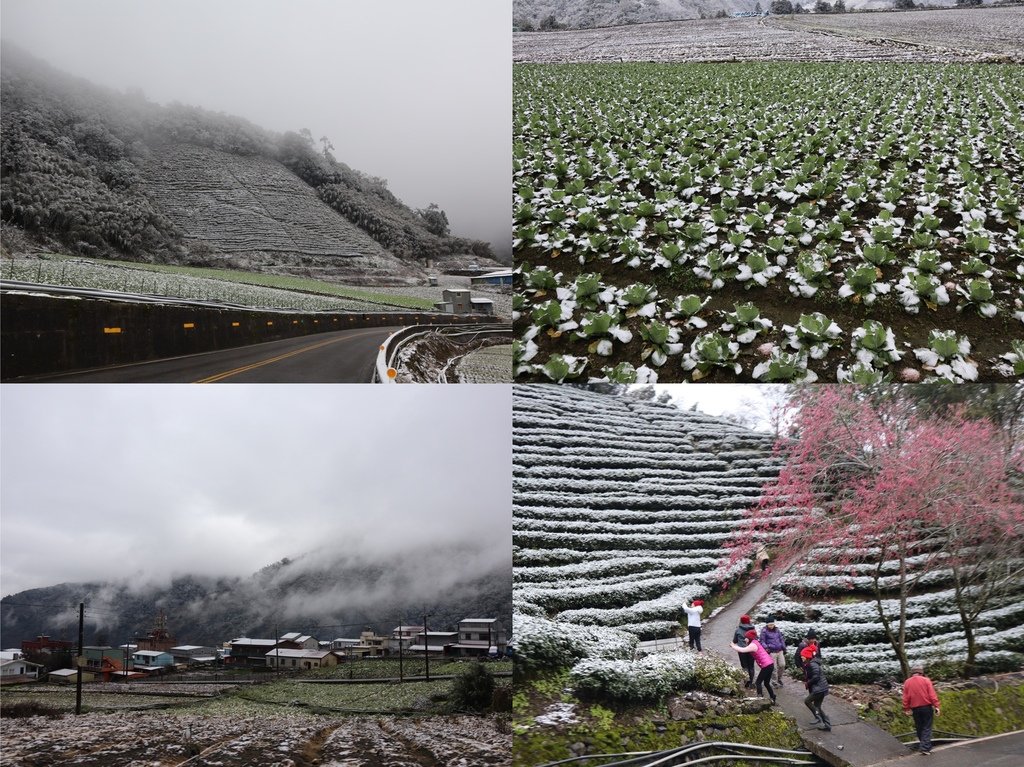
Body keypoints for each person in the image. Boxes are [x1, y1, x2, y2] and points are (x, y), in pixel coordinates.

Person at [903, 665, 940, 755]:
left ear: (912, 673)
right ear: (921, 672)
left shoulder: (907, 682)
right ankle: (925, 748)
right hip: (926, 707)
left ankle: (924, 746)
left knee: (919, 727)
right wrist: (936, 706)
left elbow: (905, 697)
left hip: (915, 708)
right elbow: (932, 695)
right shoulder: (926, 680)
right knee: (927, 727)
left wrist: (906, 708)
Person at [731, 629, 776, 704]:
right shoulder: (755, 642)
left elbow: (742, 650)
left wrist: (733, 646)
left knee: (758, 682)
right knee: (766, 683)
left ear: (749, 638)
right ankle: (773, 697)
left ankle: (760, 699)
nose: (745, 639)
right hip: (770, 664)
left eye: (746, 638)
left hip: (766, 666)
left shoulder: (752, 645)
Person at [801, 645, 831, 731]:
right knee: (817, 706)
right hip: (822, 688)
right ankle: (827, 725)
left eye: (803, 655)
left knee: (807, 701)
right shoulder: (810, 663)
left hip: (819, 688)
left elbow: (816, 677)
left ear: (807, 656)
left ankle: (818, 717)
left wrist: (808, 683)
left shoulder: (812, 664)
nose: (801, 657)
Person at [759, 616, 787, 687]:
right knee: (774, 668)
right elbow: (762, 641)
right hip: (771, 651)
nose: (771, 626)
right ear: (767, 624)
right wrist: (767, 648)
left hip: (779, 650)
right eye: (769, 625)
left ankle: (779, 679)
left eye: (772, 624)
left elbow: (781, 639)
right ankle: (774, 682)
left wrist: (783, 647)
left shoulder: (777, 630)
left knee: (782, 665)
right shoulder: (764, 631)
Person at [733, 614, 756, 688]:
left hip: (742, 650)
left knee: (745, 666)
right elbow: (756, 639)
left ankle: (747, 681)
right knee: (751, 666)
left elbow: (735, 640)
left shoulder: (738, 630)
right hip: (751, 649)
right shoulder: (753, 629)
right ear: (749, 621)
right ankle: (751, 682)